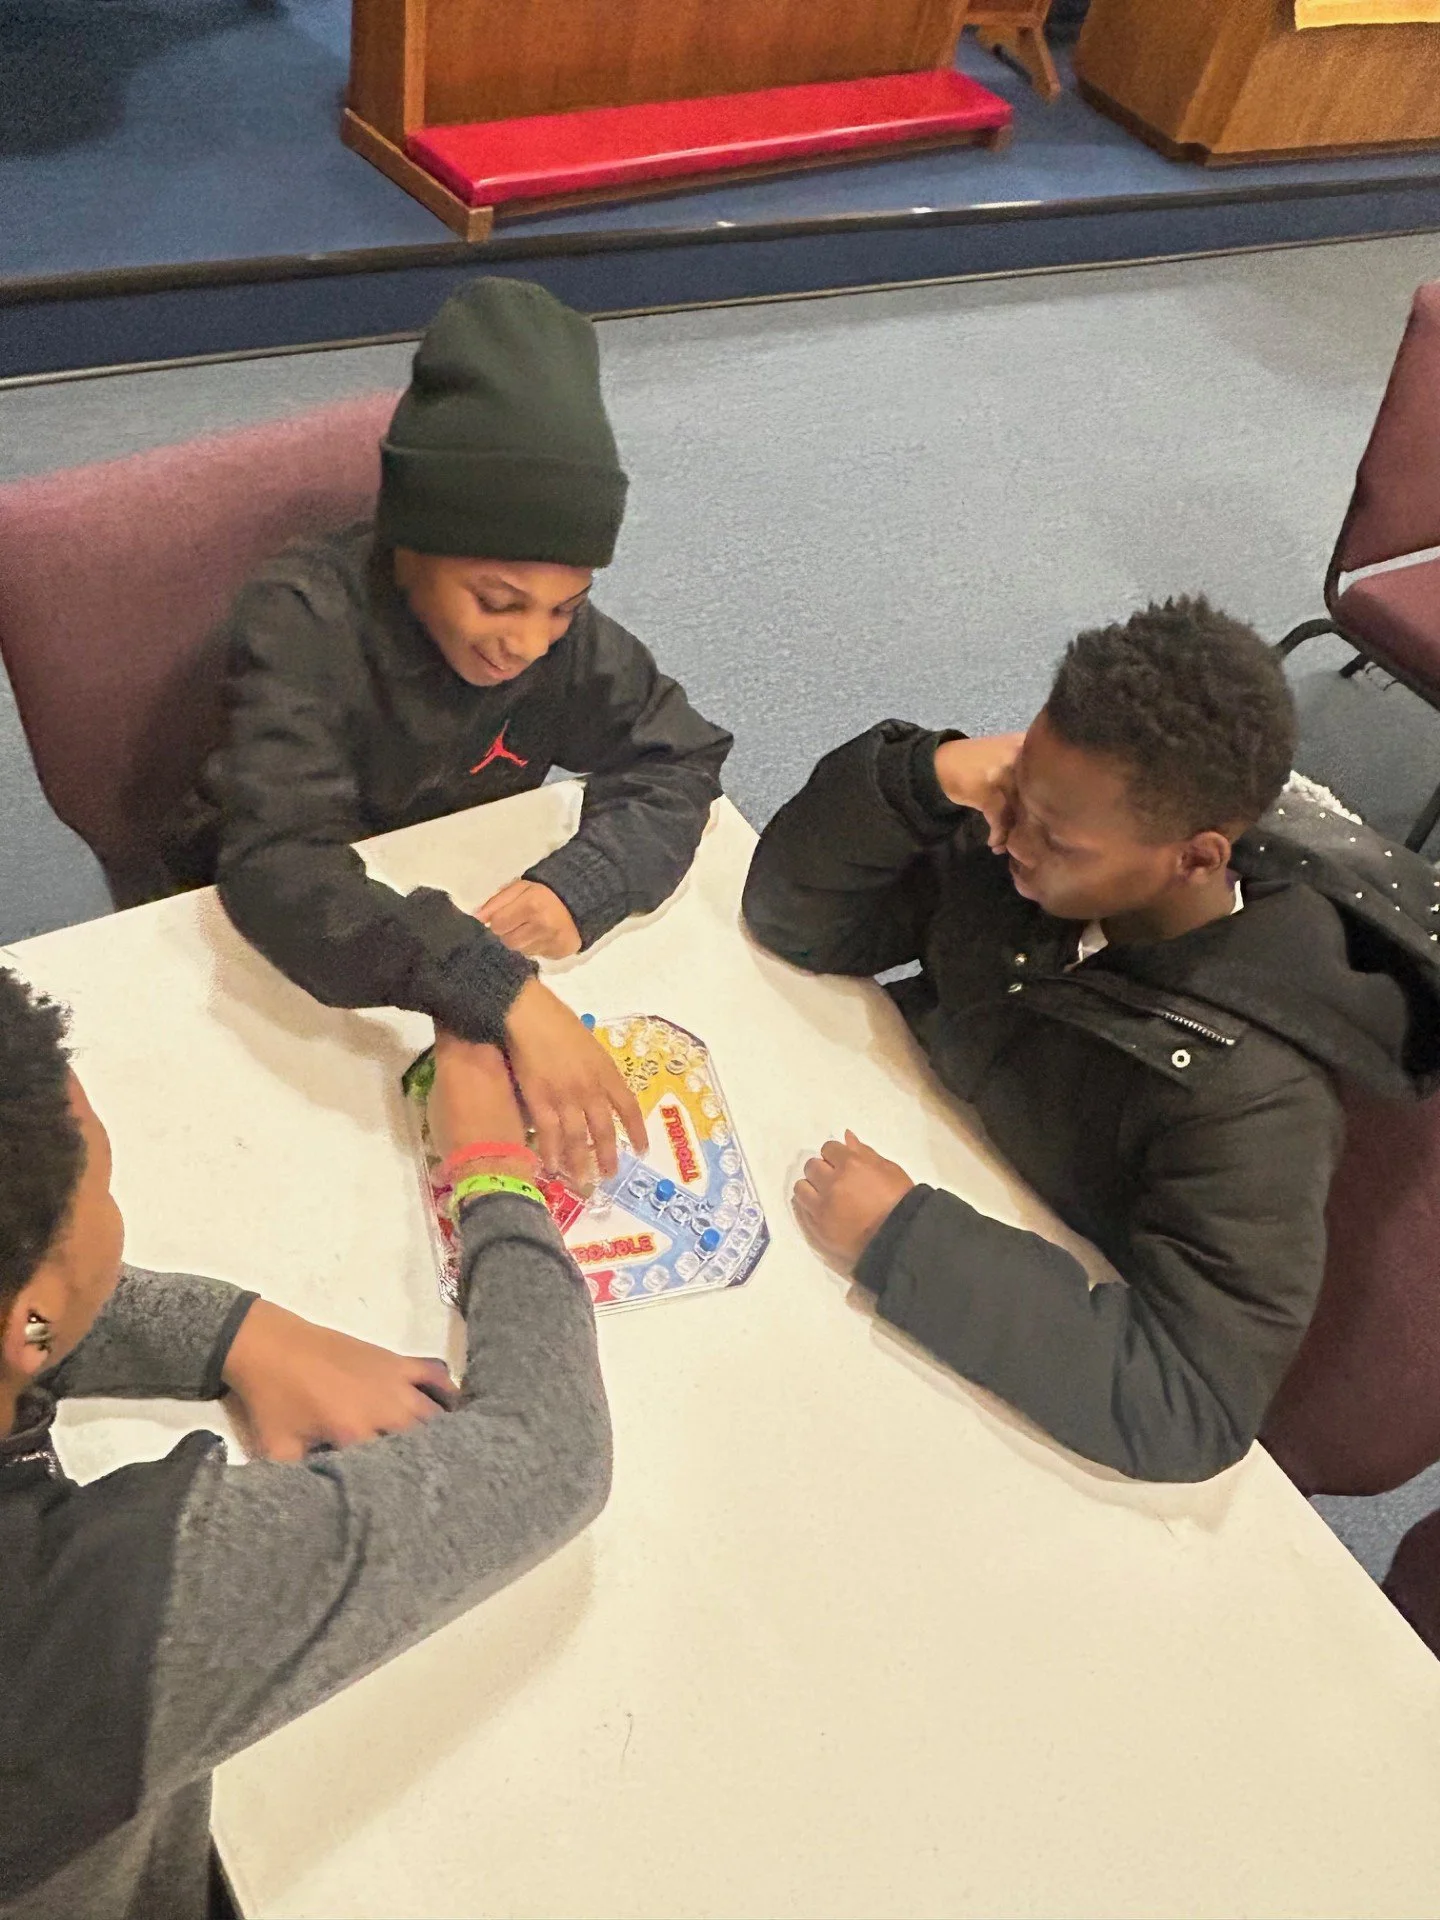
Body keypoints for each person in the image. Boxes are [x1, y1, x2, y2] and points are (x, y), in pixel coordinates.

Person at [743, 597, 1440, 1483]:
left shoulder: (1255, 1096)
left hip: (988, 1332)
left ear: (1196, 859)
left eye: (1055, 836)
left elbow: (1190, 1403)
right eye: (1013, 790)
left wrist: (905, 1239)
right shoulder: (1037, 855)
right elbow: (802, 923)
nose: (1005, 837)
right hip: (901, 1151)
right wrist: (926, 777)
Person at [0, 969, 611, 1920]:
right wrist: (492, 1168)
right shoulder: (96, 1615)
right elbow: (549, 1454)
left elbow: (39, 1314)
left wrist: (239, 1335)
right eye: (104, 1190)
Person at [163, 276, 732, 1183]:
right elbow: (278, 866)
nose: (529, 642)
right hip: (273, 951)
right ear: (410, 540)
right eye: (498, 601)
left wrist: (586, 881)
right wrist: (494, 987)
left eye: (564, 606)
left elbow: (682, 755)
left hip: (433, 907)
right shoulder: (303, 617)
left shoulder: (561, 642)